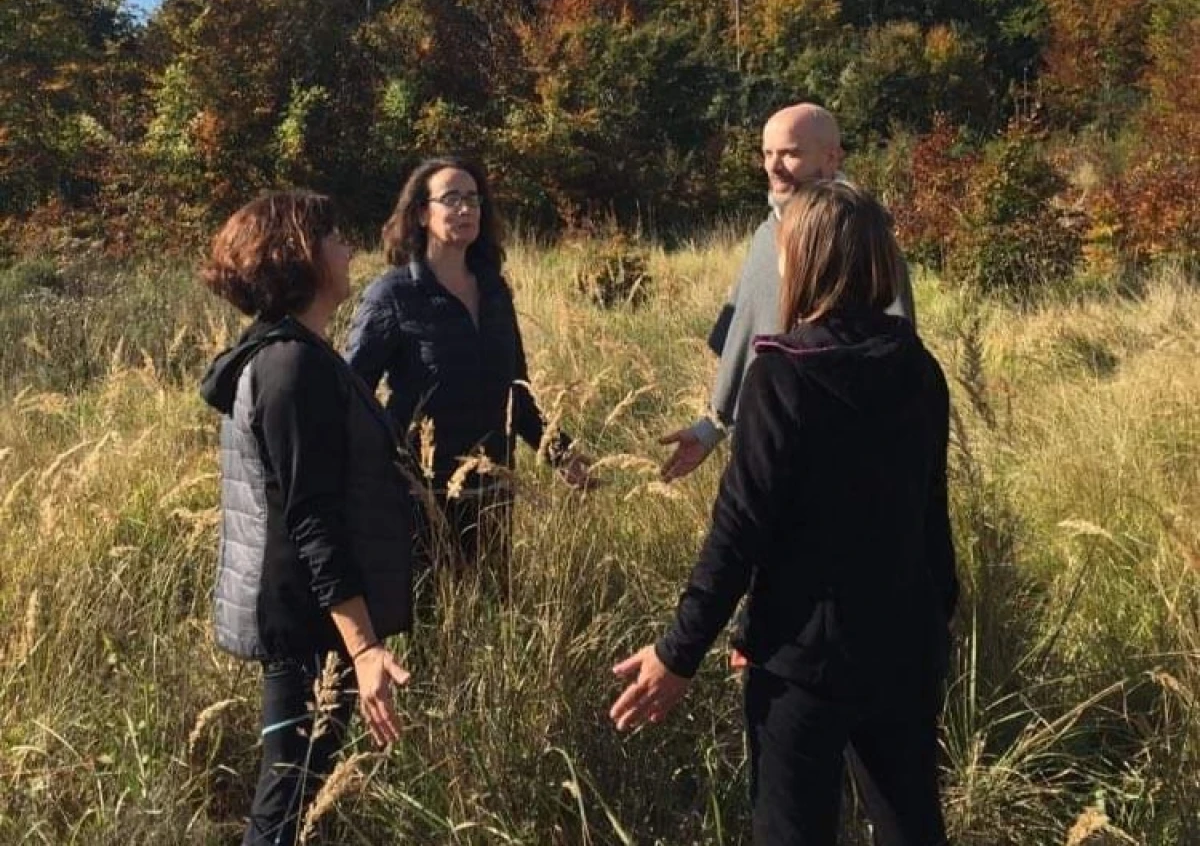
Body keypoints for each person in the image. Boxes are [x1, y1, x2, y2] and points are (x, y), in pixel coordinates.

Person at [611, 180, 958, 846]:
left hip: (805, 657)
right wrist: (934, 623)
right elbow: (930, 519)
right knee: (911, 825)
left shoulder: (784, 374)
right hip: (904, 645)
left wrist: (678, 654)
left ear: (808, 259)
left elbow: (739, 530)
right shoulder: (918, 367)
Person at [199, 190, 414, 846]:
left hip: (315, 616)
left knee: (301, 794)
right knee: (288, 802)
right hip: (308, 624)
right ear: (302, 255)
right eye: (335, 238)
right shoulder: (291, 367)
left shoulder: (296, 352)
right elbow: (312, 519)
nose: (350, 250)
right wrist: (365, 647)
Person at [345, 156, 589, 574]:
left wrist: (561, 453)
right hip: (418, 495)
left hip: (492, 488)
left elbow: (517, 390)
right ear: (422, 213)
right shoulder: (393, 295)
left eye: (473, 200)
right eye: (452, 199)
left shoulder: (494, 291)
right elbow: (351, 396)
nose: (465, 209)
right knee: (428, 620)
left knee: (490, 607)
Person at [659, 103, 917, 483]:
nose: (772, 167)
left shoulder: (865, 242)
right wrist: (710, 429)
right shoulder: (767, 234)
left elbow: (894, 358)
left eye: (790, 154)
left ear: (831, 158)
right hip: (767, 446)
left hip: (843, 457)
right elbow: (747, 335)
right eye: (767, 153)